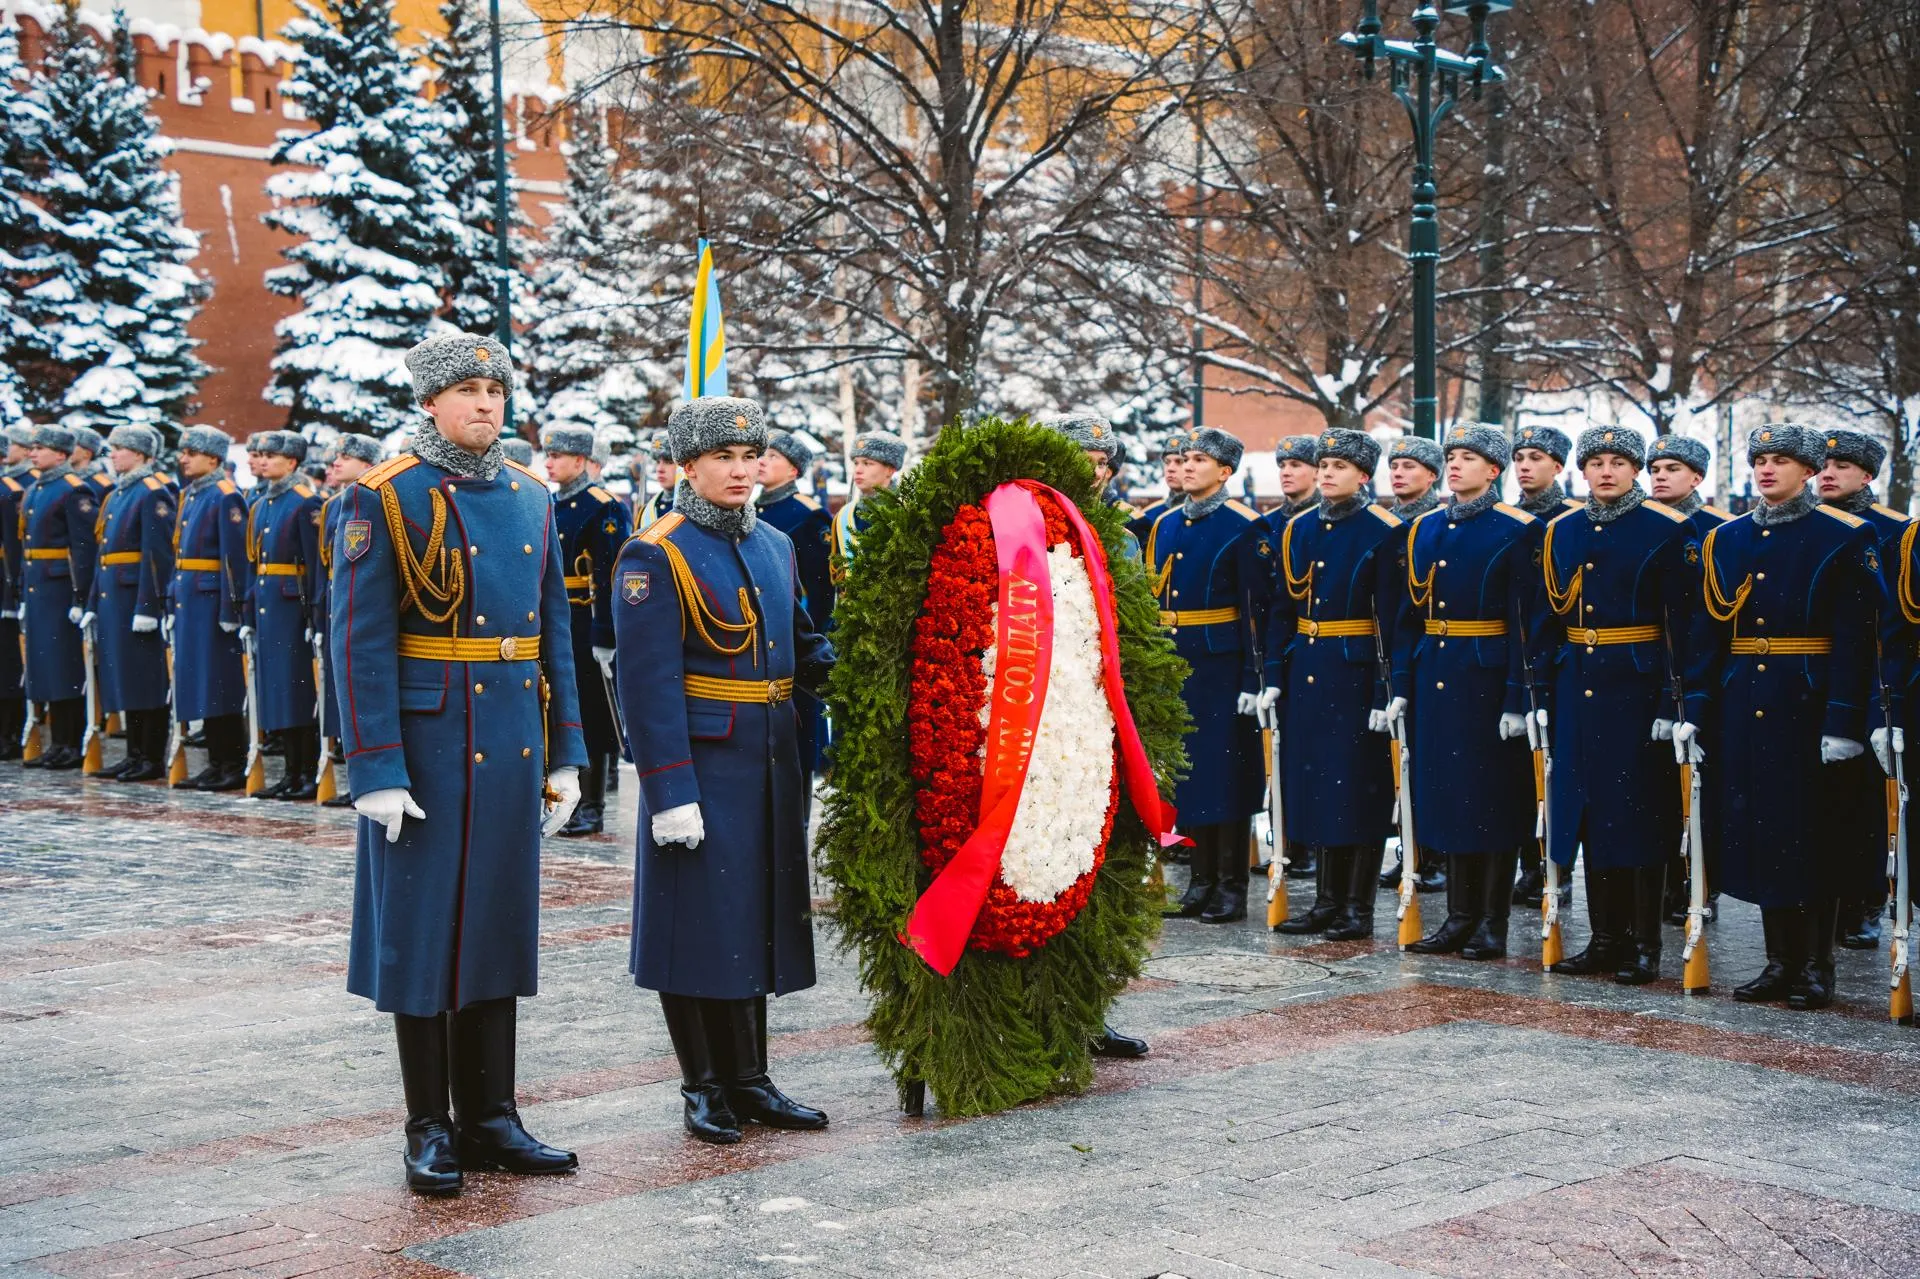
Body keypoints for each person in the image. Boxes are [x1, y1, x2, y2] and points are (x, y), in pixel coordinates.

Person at [333, 331, 585, 1195]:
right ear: (431, 402)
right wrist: (375, 767)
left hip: (510, 739)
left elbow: (555, 633)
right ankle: (428, 1125)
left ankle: (491, 1117)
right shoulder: (386, 495)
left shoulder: (530, 495)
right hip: (428, 746)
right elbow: (359, 642)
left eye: (496, 390)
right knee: (422, 935)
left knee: (495, 930)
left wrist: (567, 752)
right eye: (469, 390)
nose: (486, 403)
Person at [612, 395, 834, 1145]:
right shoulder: (657, 552)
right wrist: (668, 791)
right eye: (723, 458)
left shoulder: (773, 542)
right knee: (695, 924)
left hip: (771, 757)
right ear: (687, 465)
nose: (742, 471)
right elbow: (646, 683)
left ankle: (751, 1077)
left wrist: (853, 669)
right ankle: (703, 1085)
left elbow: (800, 640)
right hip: (702, 764)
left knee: (754, 916)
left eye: (750, 457)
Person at [1681, 424, 1881, 1011]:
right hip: (1745, 703)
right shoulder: (1726, 539)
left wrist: (1843, 720)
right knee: (1765, 833)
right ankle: (1779, 961)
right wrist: (1696, 708)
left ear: (1810, 470)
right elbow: (1707, 634)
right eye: (1760, 459)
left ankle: (1815, 966)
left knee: (1811, 835)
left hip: (1808, 703)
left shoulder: (1843, 536)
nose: (1767, 469)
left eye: (1782, 460)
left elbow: (1856, 639)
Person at [1538, 428, 1697, 984]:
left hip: (1637, 688)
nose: (1606, 472)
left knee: (1638, 818)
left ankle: (1644, 944)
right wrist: (1540, 696)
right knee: (1588, 815)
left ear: (1635, 471)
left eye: (1618, 462)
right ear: (1581, 471)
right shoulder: (1562, 530)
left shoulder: (1668, 528)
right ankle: (1604, 938)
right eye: (1596, 462)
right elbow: (1548, 620)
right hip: (1577, 686)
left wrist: (1672, 703)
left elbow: (1683, 627)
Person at [1388, 425, 1546, 960]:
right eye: (1451, 456)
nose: (1455, 465)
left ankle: (1491, 922)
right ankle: (1458, 916)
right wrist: (1402, 685)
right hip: (1436, 676)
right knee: (1448, 798)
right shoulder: (1426, 528)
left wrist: (1517, 697)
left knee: (1492, 802)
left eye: (1469, 458)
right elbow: (1409, 616)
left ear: (1493, 470)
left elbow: (1526, 622)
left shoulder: (1518, 529)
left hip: (1486, 680)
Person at [1264, 428, 1401, 940]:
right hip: (1309, 671)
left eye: (1339, 467)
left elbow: (1392, 621)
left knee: (1358, 793)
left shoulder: (1383, 530)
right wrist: (1273, 675)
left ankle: (1356, 908)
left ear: (1363, 476)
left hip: (1356, 674)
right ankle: (1326, 901)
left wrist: (1385, 691)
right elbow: (1283, 609)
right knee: (1318, 787)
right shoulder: (1299, 529)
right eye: (1323, 465)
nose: (1327, 474)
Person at [1147, 426, 1268, 924]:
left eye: (1200, 460)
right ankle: (1200, 881)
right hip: (1177, 666)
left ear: (1225, 471)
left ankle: (1230, 885)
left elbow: (1258, 611)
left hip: (1222, 666)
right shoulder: (1167, 523)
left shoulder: (1245, 526)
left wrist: (1253, 678)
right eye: (1184, 458)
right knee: (1189, 778)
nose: (1188, 466)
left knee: (1226, 778)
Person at [1816, 429, 1909, 950]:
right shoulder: (1805, 524)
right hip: (1813, 676)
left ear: (1868, 475)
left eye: (1843, 467)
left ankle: (1864, 902)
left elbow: (1894, 619)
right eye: (1823, 466)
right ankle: (1822, 899)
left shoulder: (1893, 531)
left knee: (1864, 803)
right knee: (1818, 800)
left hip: (1870, 678)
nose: (1829, 474)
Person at [1647, 433, 1727, 923]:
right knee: (1657, 787)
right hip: (1651, 663)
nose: (1660, 477)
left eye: (1672, 469)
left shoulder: (1716, 529)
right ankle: (1663, 881)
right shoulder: (1645, 524)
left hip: (1699, 665)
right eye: (1655, 469)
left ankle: (1699, 883)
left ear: (1696, 477)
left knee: (1699, 783)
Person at [544, 426, 631, 837]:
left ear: (580, 461)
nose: (549, 463)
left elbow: (612, 575)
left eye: (557, 456)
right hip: (553, 618)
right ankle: (559, 798)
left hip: (584, 621)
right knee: (555, 709)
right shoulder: (549, 503)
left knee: (591, 715)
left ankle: (592, 805)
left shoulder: (602, 507)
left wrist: (606, 635)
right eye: (548, 455)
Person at [84, 426, 175, 782]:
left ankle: (150, 756)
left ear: (139, 454)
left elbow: (157, 555)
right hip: (115, 598)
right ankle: (133, 753)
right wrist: (93, 601)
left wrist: (149, 606)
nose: (112, 454)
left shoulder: (152, 492)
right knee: (125, 677)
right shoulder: (117, 493)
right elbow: (103, 555)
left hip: (135, 598)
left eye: (119, 448)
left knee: (145, 679)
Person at [1377, 434, 1446, 891]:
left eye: (1410, 467)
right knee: (1399, 760)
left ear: (1432, 476)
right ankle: (1410, 847)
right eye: (1395, 466)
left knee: (1428, 759)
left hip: (1428, 649)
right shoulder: (1384, 523)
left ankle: (1433, 854)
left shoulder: (1435, 523)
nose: (1399, 474)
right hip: (1389, 645)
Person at [169, 427, 251, 790]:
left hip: (213, 602)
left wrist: (231, 610)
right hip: (192, 601)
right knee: (202, 682)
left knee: (220, 683)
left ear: (213, 459)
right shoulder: (192, 494)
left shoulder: (224, 495)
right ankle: (216, 761)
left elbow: (234, 558)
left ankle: (231, 762)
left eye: (191, 453)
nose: (183, 459)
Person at [244, 432, 324, 800]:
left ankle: (305, 772)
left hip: (293, 609)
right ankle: (291, 772)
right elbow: (255, 564)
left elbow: (315, 565)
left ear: (291, 462)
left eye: (271, 456)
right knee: (277, 690)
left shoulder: (305, 502)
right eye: (260, 455)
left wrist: (314, 616)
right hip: (270, 607)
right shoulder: (263, 503)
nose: (262, 461)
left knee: (297, 692)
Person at [756, 430, 835, 786]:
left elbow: (820, 592)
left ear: (794, 470)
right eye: (763, 455)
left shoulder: (810, 516)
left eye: (773, 457)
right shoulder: (749, 510)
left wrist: (808, 645)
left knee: (798, 739)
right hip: (756, 639)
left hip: (793, 640)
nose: (762, 462)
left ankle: (798, 811)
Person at [18, 426, 100, 770]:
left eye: (41, 448)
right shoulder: (37, 488)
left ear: (62, 454)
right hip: (39, 587)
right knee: (46, 666)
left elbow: (83, 548)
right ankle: (58, 743)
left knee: (65, 667)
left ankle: (72, 742)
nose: (33, 453)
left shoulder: (73, 489)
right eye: (33, 447)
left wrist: (81, 597)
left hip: (61, 588)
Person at [1261, 433, 1323, 883]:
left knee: (1315, 756)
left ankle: (1310, 845)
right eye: (1282, 465)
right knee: (1285, 755)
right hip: (1281, 644)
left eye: (1297, 465)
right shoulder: (1268, 525)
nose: (1287, 472)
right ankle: (1287, 840)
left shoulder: (1316, 523)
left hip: (1314, 647)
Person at [314, 434, 382, 806]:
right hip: (337, 607)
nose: (335, 462)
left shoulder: (382, 499)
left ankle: (367, 781)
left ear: (367, 463)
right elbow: (324, 568)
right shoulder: (332, 506)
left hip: (367, 611)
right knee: (338, 697)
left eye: (346, 456)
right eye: (335, 456)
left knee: (364, 695)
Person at [0, 424, 34, 760]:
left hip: (3, 588)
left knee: (7, 664)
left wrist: (12, 595)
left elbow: (13, 547)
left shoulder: (9, 491)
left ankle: (9, 734)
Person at [831, 430, 906, 580]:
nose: (858, 470)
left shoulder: (906, 511)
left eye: (867, 463)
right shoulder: (844, 516)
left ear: (890, 470)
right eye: (856, 463)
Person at [1512, 425, 1582, 521]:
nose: (1524, 467)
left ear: (1557, 467)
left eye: (1535, 458)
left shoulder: (1577, 517)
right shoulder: (1507, 517)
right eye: (1519, 459)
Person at [1132, 429, 1190, 531]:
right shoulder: (1150, 515)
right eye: (1167, 462)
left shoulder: (1208, 513)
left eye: (1179, 462)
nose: (1170, 468)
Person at [637, 429, 677, 530]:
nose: (659, 469)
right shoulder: (647, 510)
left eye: (668, 462)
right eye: (658, 462)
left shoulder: (697, 508)